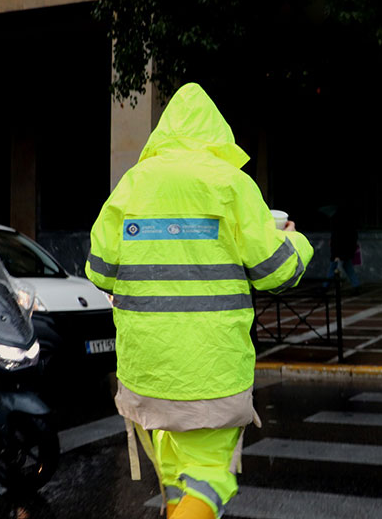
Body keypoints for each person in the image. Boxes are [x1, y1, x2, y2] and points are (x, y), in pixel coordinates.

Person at [85, 83, 313, 519]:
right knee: (209, 479)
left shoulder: (134, 183)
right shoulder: (230, 182)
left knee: (175, 476)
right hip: (211, 374)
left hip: (147, 370)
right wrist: (294, 240)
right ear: (217, 134)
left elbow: (99, 269)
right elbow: (275, 270)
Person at [321, 203, 360, 291]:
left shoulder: (338, 226)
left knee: (333, 268)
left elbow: (337, 241)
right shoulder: (349, 223)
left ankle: (325, 286)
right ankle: (356, 285)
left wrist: (336, 255)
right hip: (346, 250)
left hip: (339, 251)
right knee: (348, 267)